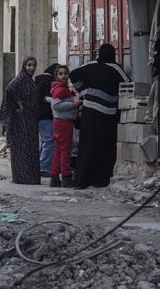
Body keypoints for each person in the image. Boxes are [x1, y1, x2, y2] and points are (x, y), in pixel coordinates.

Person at [69, 43, 130, 189]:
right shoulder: (115, 68)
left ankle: (81, 181)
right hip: (107, 114)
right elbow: (127, 84)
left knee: (87, 146)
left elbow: (73, 74)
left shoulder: (91, 65)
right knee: (105, 148)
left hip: (90, 112)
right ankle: (100, 180)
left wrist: (84, 92)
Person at [0, 56, 41, 185]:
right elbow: (10, 89)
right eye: (29, 65)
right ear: (24, 66)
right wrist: (19, 103)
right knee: (22, 148)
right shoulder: (20, 79)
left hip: (30, 119)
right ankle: (23, 177)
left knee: (31, 147)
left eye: (33, 65)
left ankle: (31, 177)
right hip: (21, 120)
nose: (31, 68)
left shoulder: (28, 80)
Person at [49, 65, 80, 188]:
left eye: (65, 74)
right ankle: (66, 177)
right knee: (66, 151)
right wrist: (73, 104)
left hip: (59, 122)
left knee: (58, 150)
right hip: (64, 123)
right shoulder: (61, 89)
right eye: (61, 74)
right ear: (56, 76)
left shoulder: (59, 88)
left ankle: (55, 177)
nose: (64, 76)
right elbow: (56, 105)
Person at [34, 64, 58, 177]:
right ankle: (43, 167)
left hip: (39, 116)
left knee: (45, 142)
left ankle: (39, 165)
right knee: (49, 141)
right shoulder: (48, 82)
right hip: (45, 116)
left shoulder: (39, 81)